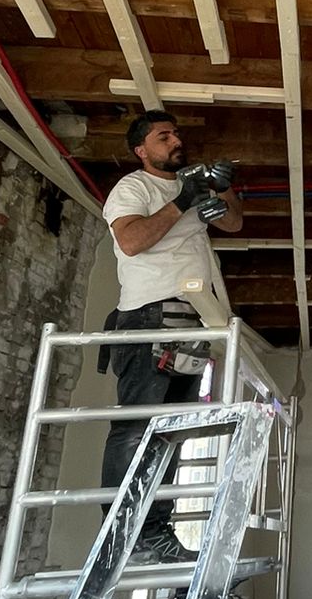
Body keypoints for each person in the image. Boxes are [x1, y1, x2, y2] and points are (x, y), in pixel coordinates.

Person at [99, 111, 243, 563]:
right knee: (136, 427)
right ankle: (124, 532)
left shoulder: (190, 186)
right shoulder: (134, 188)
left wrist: (222, 190)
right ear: (142, 150)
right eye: (164, 136)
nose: (176, 140)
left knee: (169, 433)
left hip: (192, 320)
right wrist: (183, 201)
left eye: (177, 134)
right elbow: (131, 241)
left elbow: (233, 224)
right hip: (149, 317)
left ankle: (156, 530)